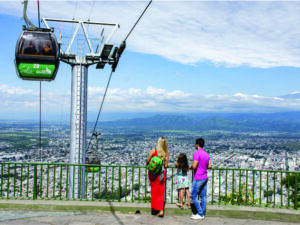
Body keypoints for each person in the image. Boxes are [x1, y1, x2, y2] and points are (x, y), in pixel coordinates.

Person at [189, 138, 212, 220]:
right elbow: (209, 166)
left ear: (197, 145)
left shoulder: (197, 153)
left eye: (195, 144)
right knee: (203, 196)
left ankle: (200, 213)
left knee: (193, 195)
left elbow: (194, 166)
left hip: (198, 177)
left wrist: (190, 167)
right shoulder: (206, 154)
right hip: (205, 177)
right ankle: (203, 212)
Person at [146, 137, 169, 217]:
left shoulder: (154, 150)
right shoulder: (166, 153)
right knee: (161, 193)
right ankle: (161, 210)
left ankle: (154, 209)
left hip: (153, 175)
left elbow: (148, 161)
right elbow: (166, 166)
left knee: (154, 192)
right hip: (161, 175)